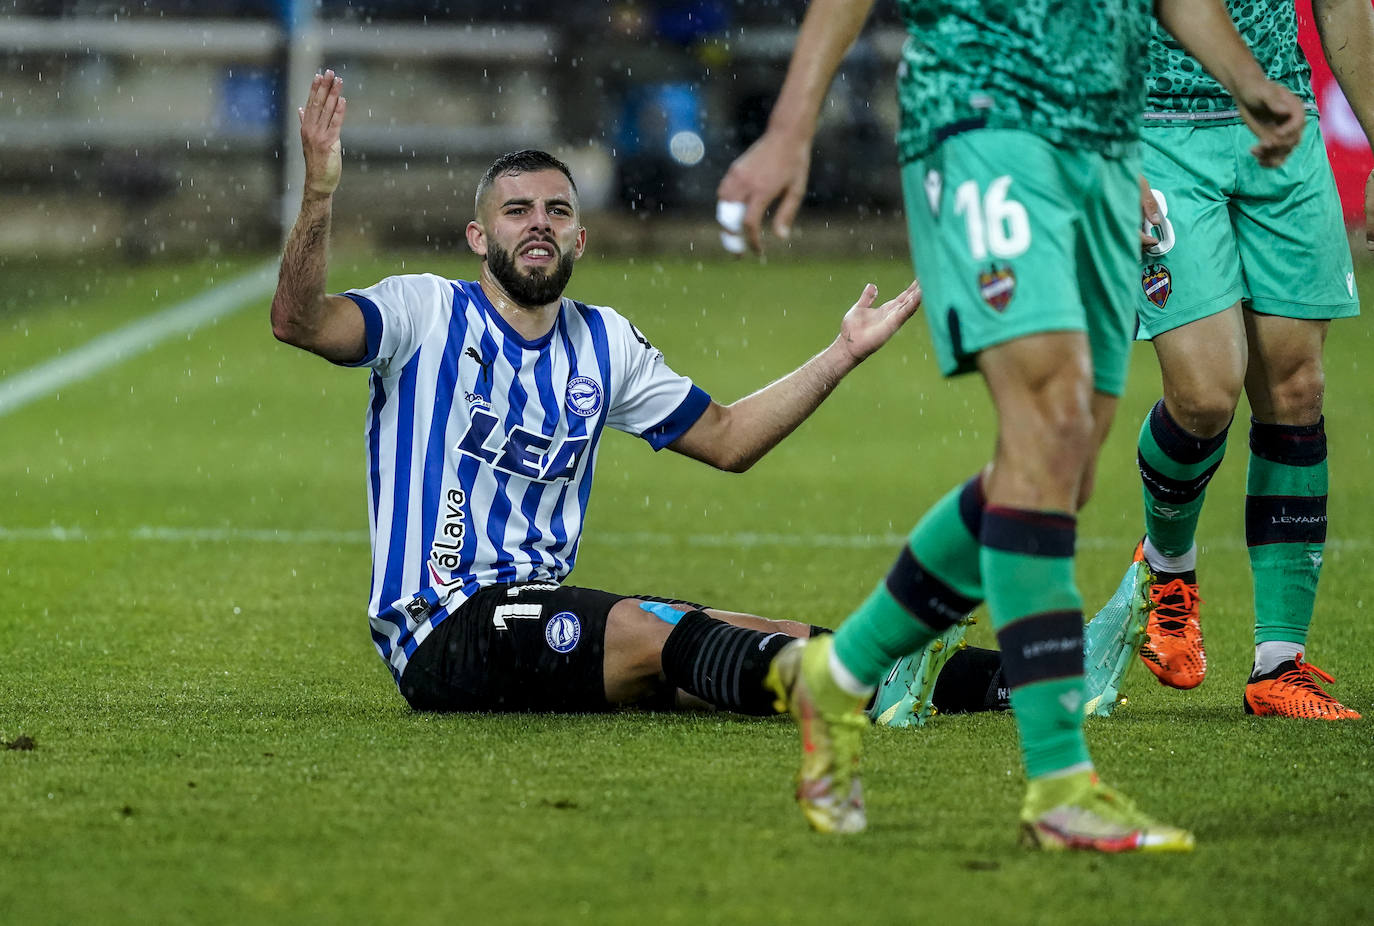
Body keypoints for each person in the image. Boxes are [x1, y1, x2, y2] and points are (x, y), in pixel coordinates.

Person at [718, 0, 1305, 849]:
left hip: (1101, 144)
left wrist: (1248, 85)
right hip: (981, 122)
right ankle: (1062, 787)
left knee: (1059, 470)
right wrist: (790, 125)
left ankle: (835, 678)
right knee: (1049, 426)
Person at [269, 70, 927, 721]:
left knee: (738, 626)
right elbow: (298, 322)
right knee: (651, 630)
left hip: (539, 614)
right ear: (479, 237)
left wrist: (841, 354)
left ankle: (989, 680)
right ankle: (857, 692)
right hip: (441, 629)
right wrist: (320, 196)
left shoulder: (603, 341)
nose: (538, 225)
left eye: (557, 212)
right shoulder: (424, 311)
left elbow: (730, 439)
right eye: (516, 211)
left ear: (578, 240)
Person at [1125, 0, 1371, 720]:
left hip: (1279, 122)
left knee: (1297, 389)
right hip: (1157, 132)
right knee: (1204, 394)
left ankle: (1279, 666)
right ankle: (1167, 567)